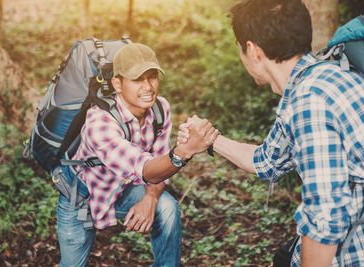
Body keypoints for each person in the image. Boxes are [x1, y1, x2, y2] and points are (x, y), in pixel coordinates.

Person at [178, 0, 364, 266]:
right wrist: (210, 139)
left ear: (253, 50)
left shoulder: (310, 101)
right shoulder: (322, 77)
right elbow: (267, 161)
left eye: (240, 48)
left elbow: (325, 222)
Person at [56, 42, 219, 266]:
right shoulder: (100, 121)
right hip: (82, 197)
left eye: (152, 77)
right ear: (118, 84)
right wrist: (186, 150)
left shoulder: (160, 109)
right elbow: (145, 169)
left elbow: (159, 161)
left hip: (122, 189)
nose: (148, 86)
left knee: (167, 208)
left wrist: (151, 198)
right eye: (137, 79)